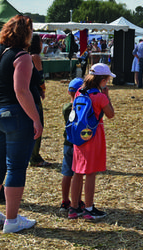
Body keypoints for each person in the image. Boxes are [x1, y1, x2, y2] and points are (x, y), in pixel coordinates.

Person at [0, 15, 41, 233]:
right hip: (15, 115)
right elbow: (21, 91)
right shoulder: (22, 56)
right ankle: (12, 220)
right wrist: (35, 118)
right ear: (27, 34)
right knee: (16, 167)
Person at [68, 63, 115, 220]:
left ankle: (74, 207)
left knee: (77, 171)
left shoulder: (79, 93)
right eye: (107, 79)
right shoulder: (99, 97)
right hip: (94, 136)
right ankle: (89, 208)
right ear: (102, 80)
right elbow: (111, 114)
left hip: (78, 136)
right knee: (90, 173)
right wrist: (107, 96)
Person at [59, 77, 84, 213]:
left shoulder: (66, 107)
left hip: (66, 144)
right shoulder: (80, 108)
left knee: (66, 173)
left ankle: (64, 200)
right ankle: (77, 201)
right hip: (77, 145)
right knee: (77, 174)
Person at [28, 34, 50, 167]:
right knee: (38, 124)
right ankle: (35, 157)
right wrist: (43, 88)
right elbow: (39, 76)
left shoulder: (23, 55)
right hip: (33, 93)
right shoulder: (35, 57)